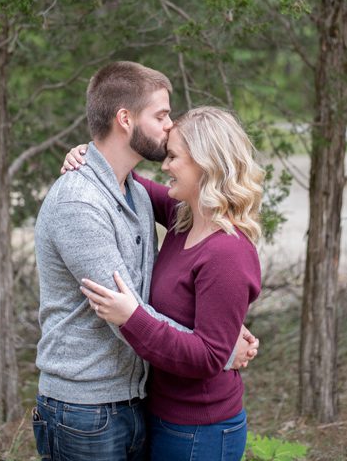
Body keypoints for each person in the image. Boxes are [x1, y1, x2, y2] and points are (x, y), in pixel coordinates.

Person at [33, 62, 258, 461]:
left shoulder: (144, 197)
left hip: (149, 407)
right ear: (125, 119)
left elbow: (138, 309)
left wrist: (216, 340)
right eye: (161, 115)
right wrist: (220, 350)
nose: (169, 126)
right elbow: (125, 312)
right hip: (88, 409)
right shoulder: (89, 202)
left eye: (176, 154)